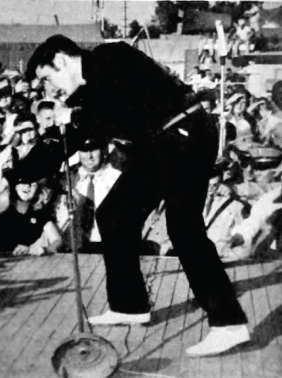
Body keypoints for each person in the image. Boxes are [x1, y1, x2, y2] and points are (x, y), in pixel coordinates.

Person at [27, 35, 249, 356]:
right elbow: (80, 131)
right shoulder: (91, 93)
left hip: (186, 134)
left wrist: (73, 116)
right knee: (114, 214)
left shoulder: (111, 58)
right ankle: (129, 305)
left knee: (184, 230)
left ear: (61, 60)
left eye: (48, 77)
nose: (52, 88)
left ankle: (229, 323)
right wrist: (20, 173)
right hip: (160, 145)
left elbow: (121, 111)